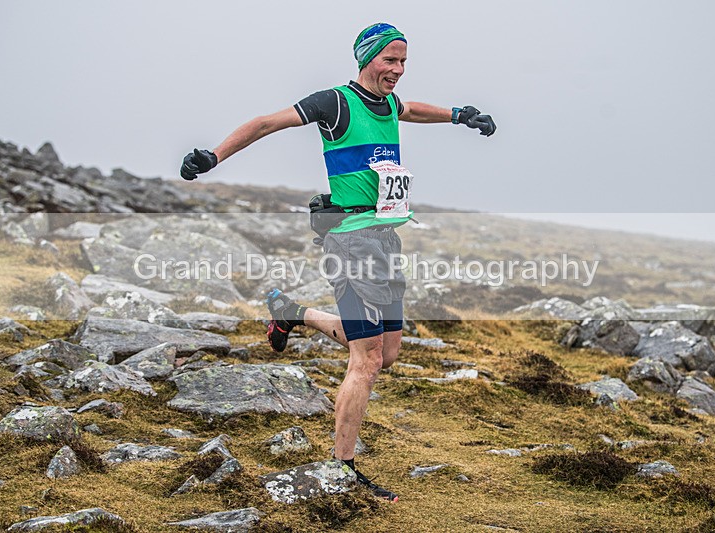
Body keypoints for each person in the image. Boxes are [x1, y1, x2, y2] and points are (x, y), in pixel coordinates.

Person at [180, 22, 495, 502]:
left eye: (404, 61)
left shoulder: (389, 103)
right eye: (390, 59)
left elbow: (415, 110)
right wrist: (213, 156)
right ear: (367, 57)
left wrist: (460, 114)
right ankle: (343, 469)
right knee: (366, 360)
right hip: (350, 240)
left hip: (385, 236)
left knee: (386, 353)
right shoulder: (336, 102)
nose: (398, 69)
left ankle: (293, 313)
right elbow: (266, 123)